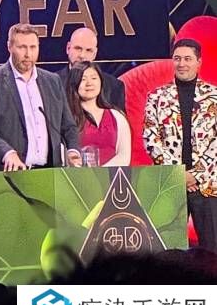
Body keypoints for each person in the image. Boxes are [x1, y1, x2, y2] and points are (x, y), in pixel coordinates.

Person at [0, 23, 80, 172]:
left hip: (48, 174)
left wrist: (73, 151)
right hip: (4, 173)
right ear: (9, 47)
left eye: (33, 47)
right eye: (22, 47)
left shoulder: (53, 81)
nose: (28, 54)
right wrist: (7, 153)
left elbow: (68, 126)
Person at [143, 38, 217, 253]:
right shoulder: (156, 97)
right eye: (177, 59)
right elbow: (150, 138)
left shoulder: (214, 96)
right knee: (168, 251)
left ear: (198, 62)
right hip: (170, 182)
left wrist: (196, 174)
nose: (182, 64)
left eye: (187, 59)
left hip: (207, 184)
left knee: (212, 251)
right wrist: (178, 174)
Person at [65, 62, 131, 166]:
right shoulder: (67, 118)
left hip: (112, 174)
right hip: (78, 174)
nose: (89, 83)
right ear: (74, 84)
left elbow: (124, 156)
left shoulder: (117, 116)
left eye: (94, 78)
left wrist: (101, 173)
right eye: (83, 79)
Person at [57, 27, 126, 112]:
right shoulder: (51, 83)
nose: (82, 55)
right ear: (68, 48)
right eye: (78, 48)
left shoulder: (114, 86)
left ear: (94, 54)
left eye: (88, 50)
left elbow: (118, 118)